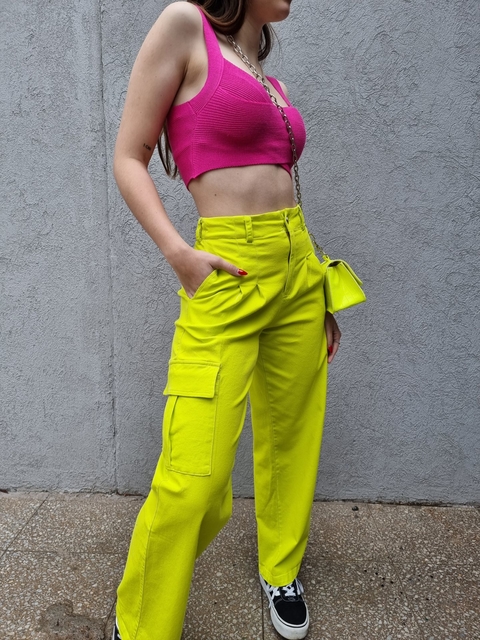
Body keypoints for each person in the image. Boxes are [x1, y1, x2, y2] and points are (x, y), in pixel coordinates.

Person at [112, 1, 341, 638]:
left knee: (293, 434)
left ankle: (281, 568)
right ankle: (140, 622)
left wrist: (319, 290)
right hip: (227, 271)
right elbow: (128, 156)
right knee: (195, 474)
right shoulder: (185, 26)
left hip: (298, 271)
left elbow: (287, 188)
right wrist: (177, 253)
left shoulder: (267, 78)